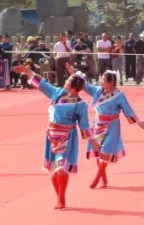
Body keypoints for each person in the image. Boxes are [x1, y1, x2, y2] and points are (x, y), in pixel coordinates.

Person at [13, 65, 98, 209]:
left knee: (61, 169)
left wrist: (92, 141)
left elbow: (84, 125)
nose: (66, 80)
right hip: (51, 136)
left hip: (67, 137)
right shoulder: (57, 93)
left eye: (69, 79)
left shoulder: (81, 104)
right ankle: (59, 195)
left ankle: (61, 198)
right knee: (53, 171)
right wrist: (27, 71)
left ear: (74, 86)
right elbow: (42, 84)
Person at [84, 69, 144, 188]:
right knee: (98, 152)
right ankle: (104, 179)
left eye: (103, 80)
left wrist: (138, 122)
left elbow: (127, 109)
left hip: (112, 126)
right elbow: (85, 86)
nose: (101, 81)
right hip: (98, 124)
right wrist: (73, 72)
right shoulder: (98, 92)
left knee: (106, 152)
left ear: (111, 82)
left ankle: (97, 178)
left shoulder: (119, 95)